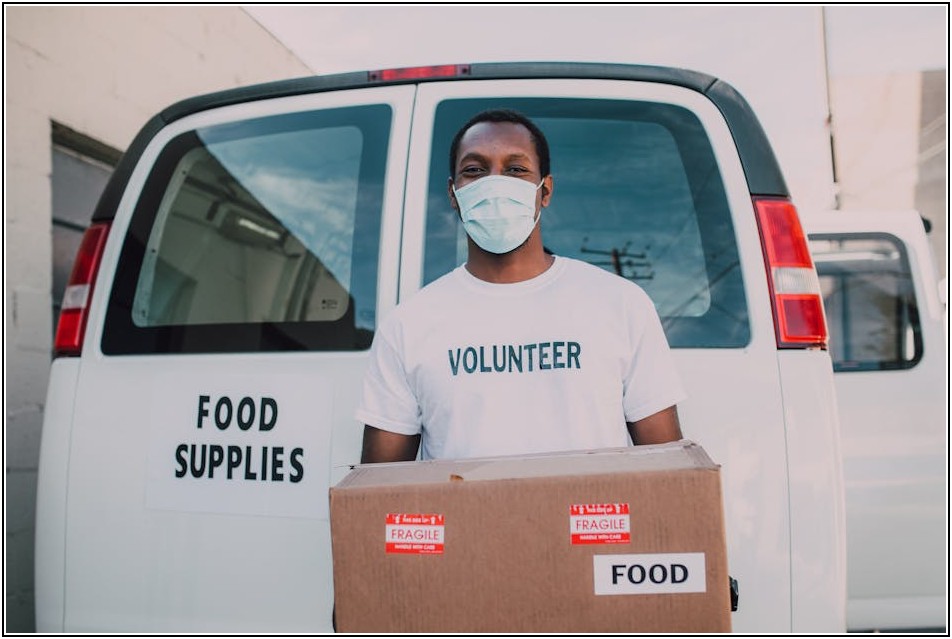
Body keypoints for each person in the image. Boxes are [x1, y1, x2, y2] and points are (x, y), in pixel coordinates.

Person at [356, 109, 685, 463]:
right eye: (474, 170)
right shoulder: (407, 325)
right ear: (453, 194)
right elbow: (380, 487)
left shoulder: (620, 304)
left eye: (515, 169)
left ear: (545, 191)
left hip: (586, 519)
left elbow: (668, 468)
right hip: (468, 520)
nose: (494, 184)